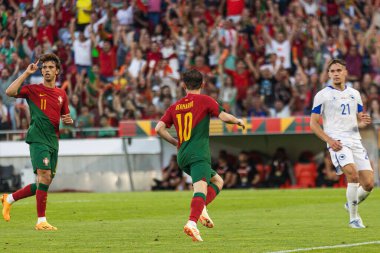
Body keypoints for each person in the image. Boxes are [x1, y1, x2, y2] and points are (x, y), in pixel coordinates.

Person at [155, 69, 245, 242]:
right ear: (203, 84)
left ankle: (201, 209)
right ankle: (192, 223)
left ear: (184, 85)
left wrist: (175, 142)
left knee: (218, 181)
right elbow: (224, 117)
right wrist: (238, 121)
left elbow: (159, 128)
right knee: (200, 190)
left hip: (182, 156)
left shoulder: (176, 106)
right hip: (198, 154)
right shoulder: (205, 100)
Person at [1, 53, 73, 230]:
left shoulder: (61, 94)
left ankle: (8, 198)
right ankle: (41, 221)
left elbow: (65, 116)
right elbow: (9, 92)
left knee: (44, 182)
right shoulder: (33, 89)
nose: (47, 70)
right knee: (44, 176)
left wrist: (68, 121)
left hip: (53, 142)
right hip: (37, 139)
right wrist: (26, 73)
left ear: (57, 71)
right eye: (44, 68)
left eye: (50, 67)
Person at [310, 59, 374, 229]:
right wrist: (329, 141)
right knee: (352, 174)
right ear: (329, 74)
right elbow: (313, 123)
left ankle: (350, 203)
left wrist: (364, 121)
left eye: (339, 70)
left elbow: (359, 119)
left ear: (345, 72)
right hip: (337, 141)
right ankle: (354, 218)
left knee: (368, 183)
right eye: (332, 71)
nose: (336, 74)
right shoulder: (322, 95)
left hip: (355, 139)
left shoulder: (355, 93)